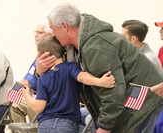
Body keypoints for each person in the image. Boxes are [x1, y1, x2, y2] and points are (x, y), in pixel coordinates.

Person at [35, 3, 163, 133]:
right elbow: (59, 76)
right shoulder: (75, 49)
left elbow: (114, 91)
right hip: (132, 109)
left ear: (64, 26)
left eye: (53, 30)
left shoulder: (96, 47)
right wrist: (40, 72)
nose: (53, 35)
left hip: (143, 109)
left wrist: (104, 127)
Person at [22, 36, 115, 133]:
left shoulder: (43, 78)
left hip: (46, 124)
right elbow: (82, 77)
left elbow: (39, 107)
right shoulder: (71, 68)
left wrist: (27, 95)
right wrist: (100, 81)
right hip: (67, 124)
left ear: (45, 56)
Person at [10, 20, 53, 128]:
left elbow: (38, 79)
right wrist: (16, 88)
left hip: (42, 95)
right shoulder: (39, 53)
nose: (36, 35)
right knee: (14, 104)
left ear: (51, 34)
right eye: (35, 32)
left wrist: (25, 85)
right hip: (31, 92)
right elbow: (28, 76)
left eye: (40, 32)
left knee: (31, 105)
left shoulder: (50, 54)